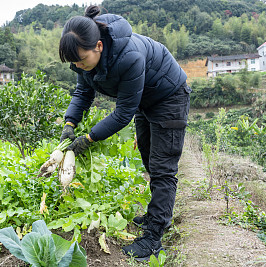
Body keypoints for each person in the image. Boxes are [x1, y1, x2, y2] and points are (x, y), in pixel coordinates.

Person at [59, 5, 191, 262]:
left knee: (163, 167)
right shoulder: (83, 60)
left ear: (98, 46)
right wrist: (70, 123)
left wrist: (87, 139)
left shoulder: (129, 55)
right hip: (145, 100)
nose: (78, 65)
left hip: (169, 97)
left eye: (81, 60)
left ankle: (153, 237)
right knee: (148, 158)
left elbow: (122, 114)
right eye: (74, 62)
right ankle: (156, 215)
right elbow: (83, 92)